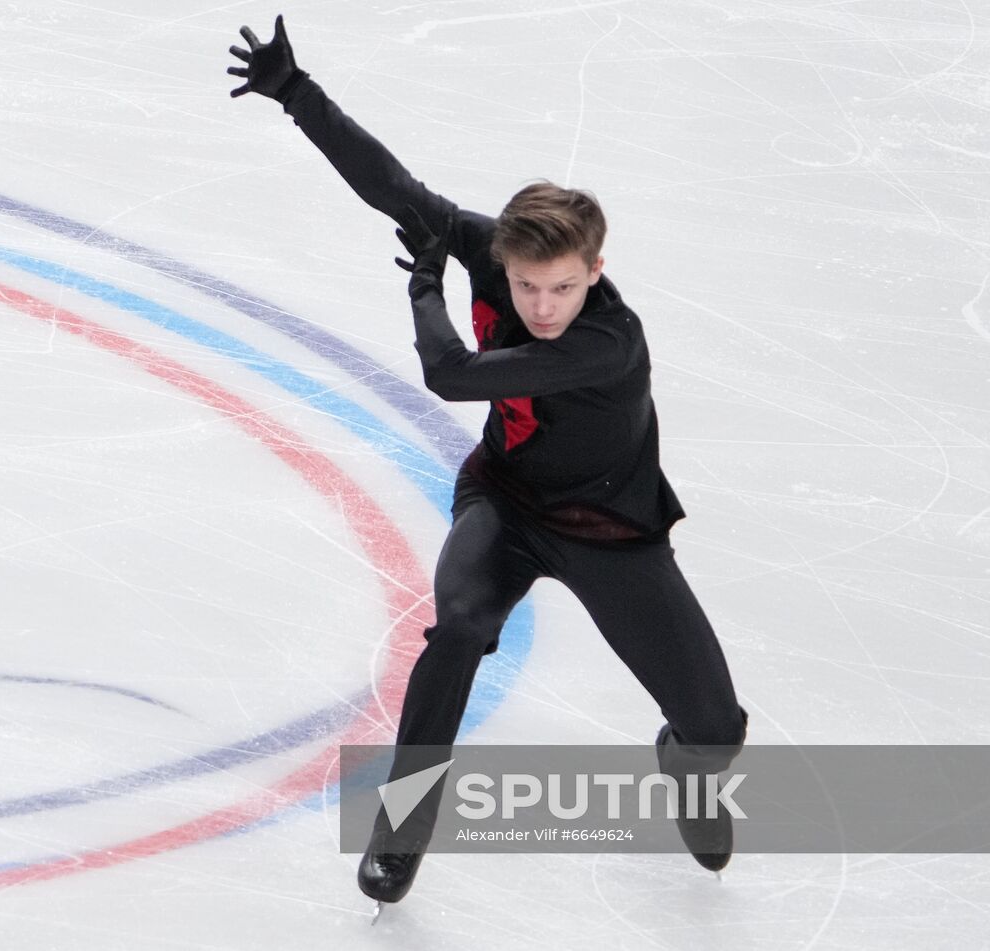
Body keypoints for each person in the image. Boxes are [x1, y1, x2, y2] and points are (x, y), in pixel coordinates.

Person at [228, 16, 747, 905]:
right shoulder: (492, 252)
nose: (543, 306)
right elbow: (391, 185)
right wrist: (296, 92)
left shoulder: (608, 343)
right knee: (459, 629)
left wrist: (426, 289)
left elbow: (451, 373)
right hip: (504, 505)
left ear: (595, 269)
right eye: (526, 285)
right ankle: (404, 828)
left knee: (718, 725)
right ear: (503, 257)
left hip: (612, 530)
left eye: (564, 287)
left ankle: (683, 759)